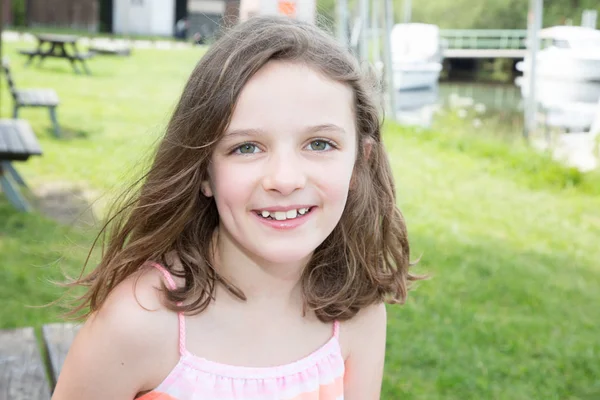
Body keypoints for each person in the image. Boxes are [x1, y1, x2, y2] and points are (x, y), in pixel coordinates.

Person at [51, 15, 420, 400]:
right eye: (246, 147)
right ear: (204, 172)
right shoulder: (139, 322)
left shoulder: (357, 316)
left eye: (320, 144)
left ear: (360, 164)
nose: (285, 178)